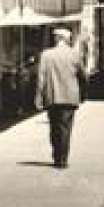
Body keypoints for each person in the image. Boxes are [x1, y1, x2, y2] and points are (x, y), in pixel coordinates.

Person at [36, 27, 85, 169]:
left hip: (52, 97)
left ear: (57, 38)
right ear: (67, 39)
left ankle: (57, 155)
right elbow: (83, 76)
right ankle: (62, 158)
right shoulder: (74, 55)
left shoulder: (46, 55)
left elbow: (41, 78)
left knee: (54, 127)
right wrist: (83, 93)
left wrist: (38, 96)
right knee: (66, 129)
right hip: (70, 98)